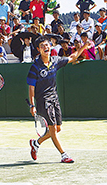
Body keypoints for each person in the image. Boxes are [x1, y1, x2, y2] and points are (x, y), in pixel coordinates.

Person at [27, 35, 89, 163]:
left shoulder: (55, 60)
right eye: (42, 46)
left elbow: (72, 57)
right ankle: (63, 155)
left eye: (47, 45)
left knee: (58, 128)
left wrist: (84, 47)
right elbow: (31, 88)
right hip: (43, 100)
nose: (46, 47)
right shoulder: (35, 67)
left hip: (54, 98)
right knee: (53, 128)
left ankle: (36, 143)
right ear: (39, 50)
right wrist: (32, 105)